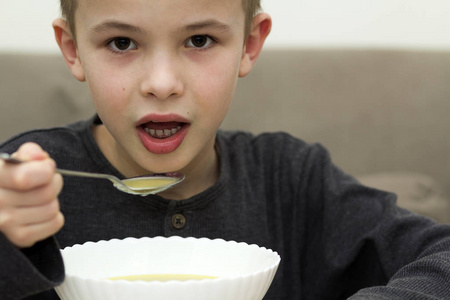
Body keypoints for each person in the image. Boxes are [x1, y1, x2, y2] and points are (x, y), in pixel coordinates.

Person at [1, 0, 450, 299]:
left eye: (199, 41)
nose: (161, 84)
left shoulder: (291, 179)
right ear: (73, 48)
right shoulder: (23, 180)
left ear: (249, 44)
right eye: (122, 43)